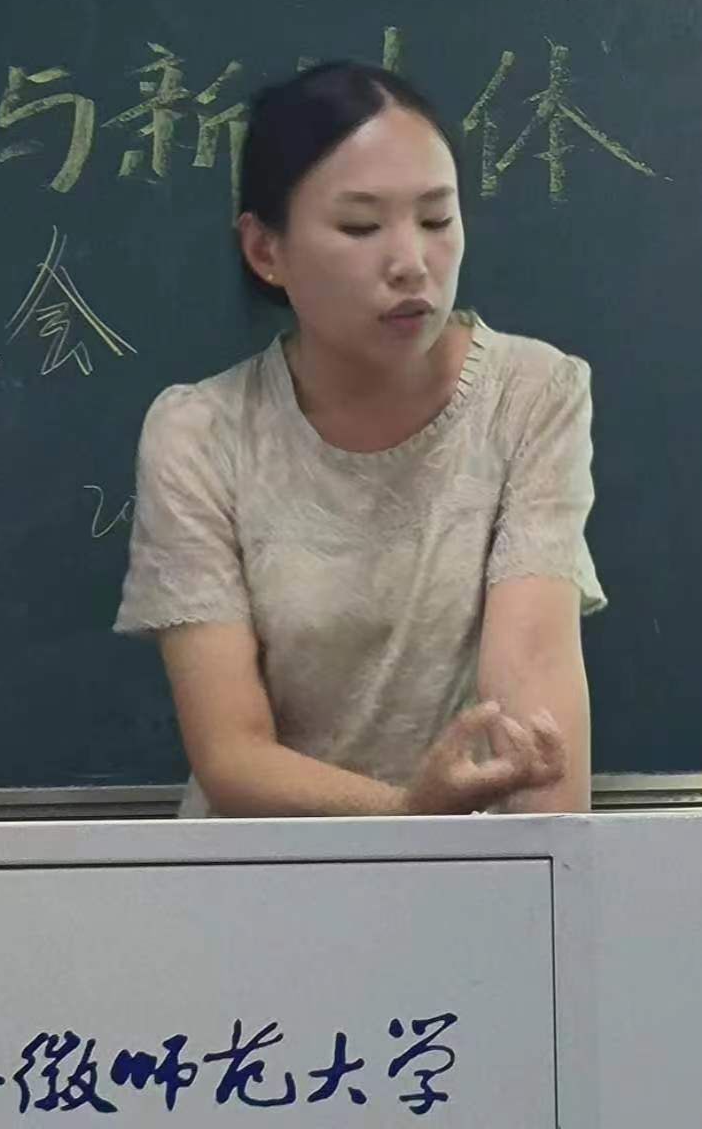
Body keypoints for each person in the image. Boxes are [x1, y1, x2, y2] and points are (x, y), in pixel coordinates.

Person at [113, 61, 605, 817]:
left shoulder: (533, 394)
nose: (411, 264)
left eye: (437, 220)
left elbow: (535, 694)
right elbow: (231, 752)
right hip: (259, 869)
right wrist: (408, 814)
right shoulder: (200, 434)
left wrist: (550, 874)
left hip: (479, 868)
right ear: (265, 251)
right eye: (360, 227)